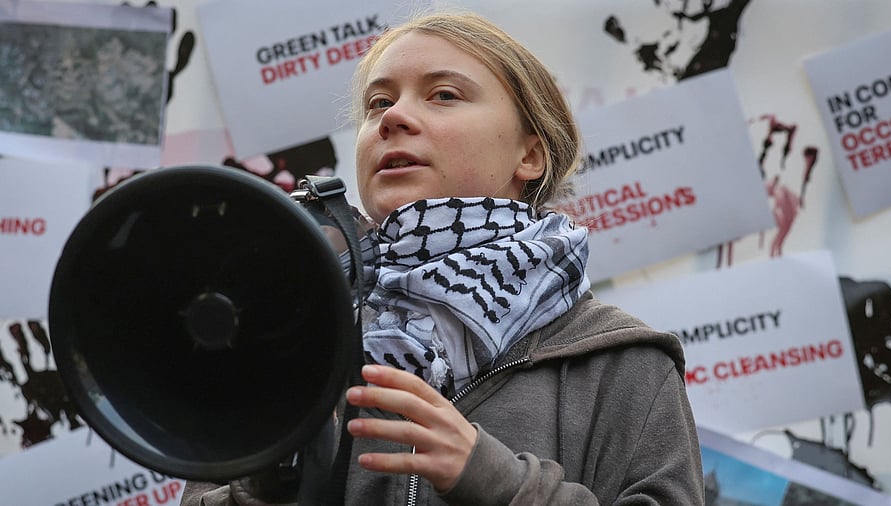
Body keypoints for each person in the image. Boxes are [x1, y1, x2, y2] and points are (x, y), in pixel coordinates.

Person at [182, 10, 704, 506]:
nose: (394, 118)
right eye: (377, 103)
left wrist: (489, 478)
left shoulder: (623, 361)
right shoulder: (286, 339)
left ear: (530, 155)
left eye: (444, 95)